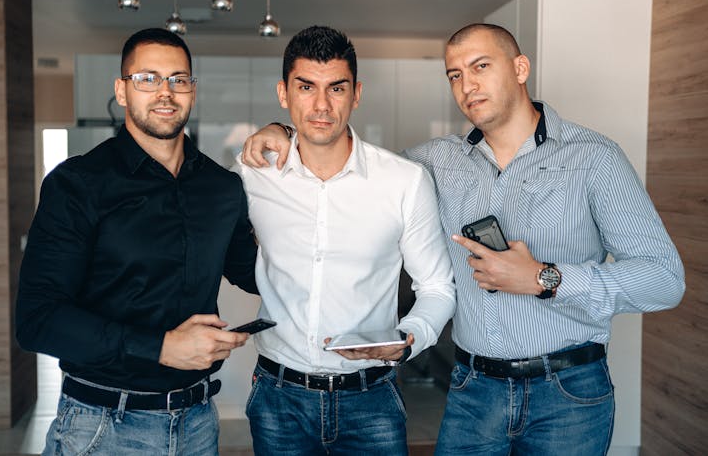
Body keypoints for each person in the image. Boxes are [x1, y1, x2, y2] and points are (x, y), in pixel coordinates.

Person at [241, 23, 686, 455]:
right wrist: (283, 131)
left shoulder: (594, 159)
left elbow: (665, 280)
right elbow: (342, 160)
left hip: (567, 390)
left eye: (480, 67)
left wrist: (545, 278)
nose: (467, 85)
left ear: (520, 68)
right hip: (474, 390)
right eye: (455, 74)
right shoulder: (434, 162)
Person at [16, 28, 259, 456]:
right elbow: (38, 319)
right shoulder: (78, 185)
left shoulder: (222, 188)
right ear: (122, 90)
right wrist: (163, 347)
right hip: (102, 425)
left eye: (178, 79)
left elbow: (255, 271)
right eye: (148, 78)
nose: (165, 92)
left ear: (192, 91)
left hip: (198, 422)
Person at [233, 25, 456, 456]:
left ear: (356, 94)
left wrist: (409, 337)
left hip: (370, 399)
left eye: (336, 88)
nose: (321, 105)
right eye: (305, 87)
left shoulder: (405, 182)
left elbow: (437, 286)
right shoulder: (251, 174)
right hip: (279, 400)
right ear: (284, 94)